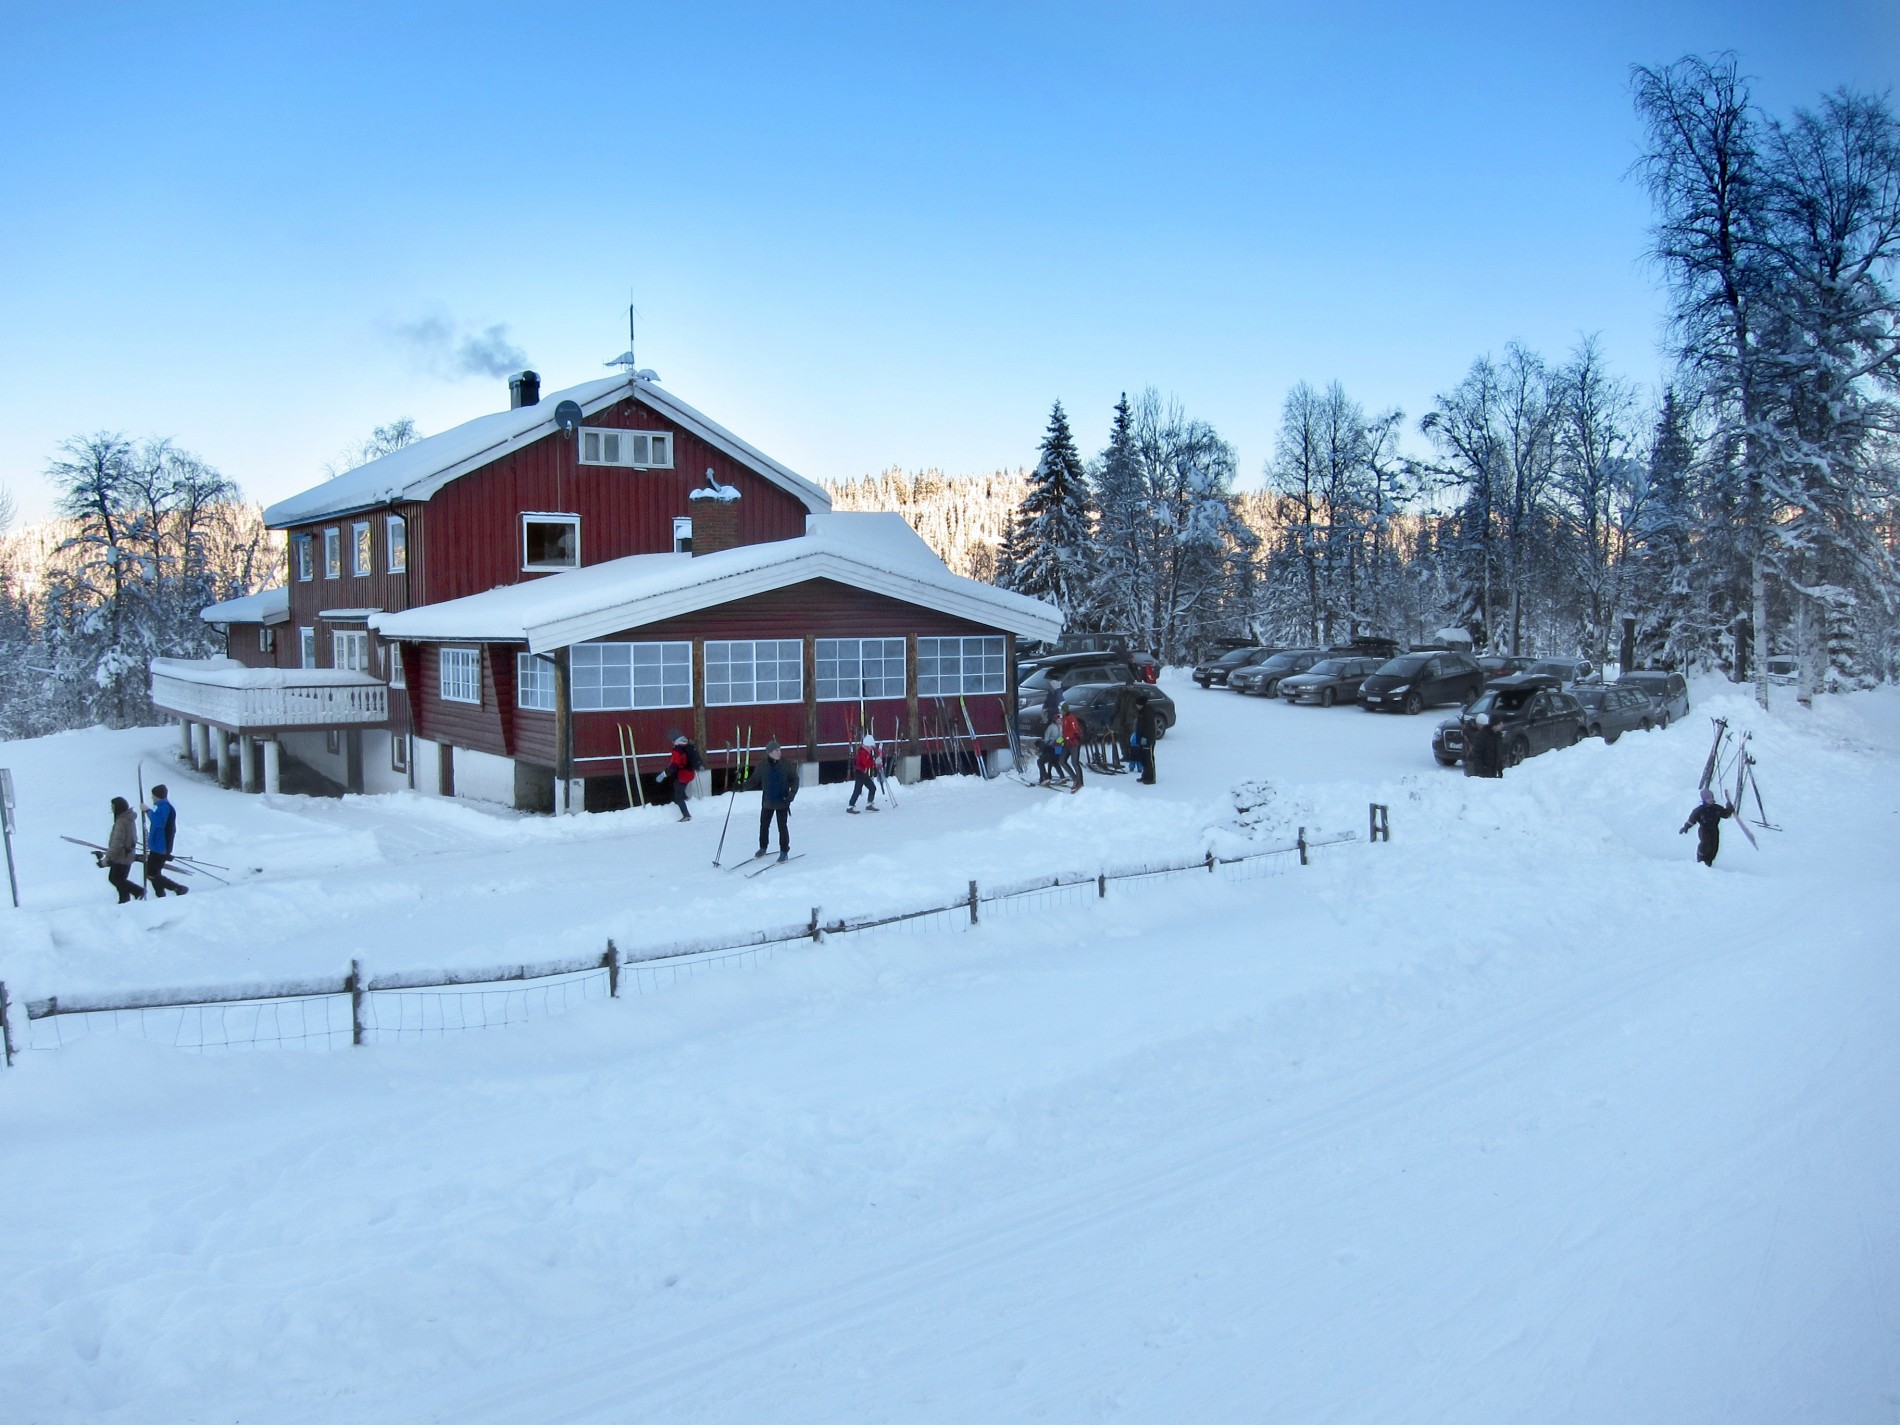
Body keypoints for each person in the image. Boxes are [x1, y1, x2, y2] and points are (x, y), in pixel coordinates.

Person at [142, 783, 189, 897]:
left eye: (153, 795)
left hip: (160, 846)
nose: (152, 797)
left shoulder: (164, 808)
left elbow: (159, 822)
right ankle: (160, 894)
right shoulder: (162, 807)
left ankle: (177, 888)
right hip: (158, 845)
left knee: (151, 873)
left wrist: (147, 811)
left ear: (157, 796)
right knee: (153, 873)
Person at [756, 739, 797, 860]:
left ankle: (784, 851)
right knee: (764, 825)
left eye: (780, 750)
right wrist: (740, 786)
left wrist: (792, 794)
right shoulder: (763, 766)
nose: (779, 752)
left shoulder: (786, 765)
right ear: (769, 753)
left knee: (782, 827)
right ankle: (763, 847)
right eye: (776, 750)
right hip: (768, 801)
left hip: (782, 801)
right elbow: (754, 780)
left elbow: (795, 780)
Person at [99, 796, 145, 903]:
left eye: (113, 807)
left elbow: (117, 841)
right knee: (119, 879)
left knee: (115, 878)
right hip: (126, 854)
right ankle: (124, 900)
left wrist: (108, 856)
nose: (112, 809)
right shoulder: (128, 819)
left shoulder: (122, 821)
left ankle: (138, 891)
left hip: (122, 856)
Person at [1680, 787, 1735, 866]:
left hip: (1714, 830)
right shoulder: (1700, 810)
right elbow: (1692, 820)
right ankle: (1701, 859)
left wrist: (1729, 808)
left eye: (1711, 798)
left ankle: (1709, 861)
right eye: (1708, 799)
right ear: (1704, 799)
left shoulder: (1716, 808)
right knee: (1706, 844)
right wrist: (1686, 827)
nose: (1711, 800)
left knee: (1714, 846)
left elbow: (1725, 814)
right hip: (1704, 829)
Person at [659, 731, 702, 821]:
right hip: (690, 773)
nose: (672, 742)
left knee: (678, 797)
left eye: (672, 740)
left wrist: (664, 774)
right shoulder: (688, 746)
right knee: (678, 785)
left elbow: (675, 765)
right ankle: (685, 797)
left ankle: (686, 815)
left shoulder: (678, 750)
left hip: (683, 775)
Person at [846, 732, 880, 813]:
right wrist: (875, 762)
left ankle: (867, 804)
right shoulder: (863, 752)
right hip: (860, 773)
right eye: (871, 746)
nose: (872, 748)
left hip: (861, 773)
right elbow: (865, 763)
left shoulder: (865, 751)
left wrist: (873, 760)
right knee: (861, 789)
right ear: (868, 745)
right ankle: (851, 806)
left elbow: (867, 761)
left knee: (867, 788)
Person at [1131, 702, 1160, 785]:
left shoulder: (1148, 714)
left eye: (1138, 704)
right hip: (1141, 740)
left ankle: (1151, 778)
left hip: (1148, 741)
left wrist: (1145, 738)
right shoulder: (1141, 714)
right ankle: (1145, 775)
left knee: (1148, 759)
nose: (1137, 706)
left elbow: (1149, 729)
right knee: (1143, 758)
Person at [1036, 712, 1067, 786]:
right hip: (1059, 747)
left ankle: (1045, 778)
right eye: (1058, 719)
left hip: (1052, 748)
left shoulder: (1052, 726)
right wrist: (1059, 742)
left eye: (1060, 719)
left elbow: (1046, 738)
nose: (1059, 721)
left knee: (1040, 761)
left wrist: (1050, 743)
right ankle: (1062, 777)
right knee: (1055, 761)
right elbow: (1063, 738)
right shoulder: (1062, 727)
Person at [1060, 707, 1086, 791]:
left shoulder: (1071, 717)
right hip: (1067, 743)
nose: (1060, 711)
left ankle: (1080, 782)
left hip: (1074, 743)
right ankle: (1075, 778)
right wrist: (1058, 742)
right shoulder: (1063, 718)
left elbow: (1074, 731)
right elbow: (1064, 732)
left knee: (1074, 762)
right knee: (1062, 761)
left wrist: (1066, 738)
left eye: (1061, 710)